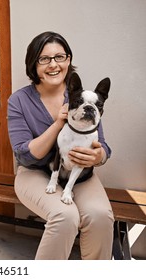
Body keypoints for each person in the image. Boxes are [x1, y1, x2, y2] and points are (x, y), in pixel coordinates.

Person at [7, 31, 114, 260]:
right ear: (33, 64)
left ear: (68, 60)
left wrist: (98, 156)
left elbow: (101, 144)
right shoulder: (19, 101)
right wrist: (59, 122)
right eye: (44, 59)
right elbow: (25, 156)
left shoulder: (83, 97)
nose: (53, 64)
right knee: (64, 216)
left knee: (100, 216)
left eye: (60, 57)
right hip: (34, 172)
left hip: (79, 171)